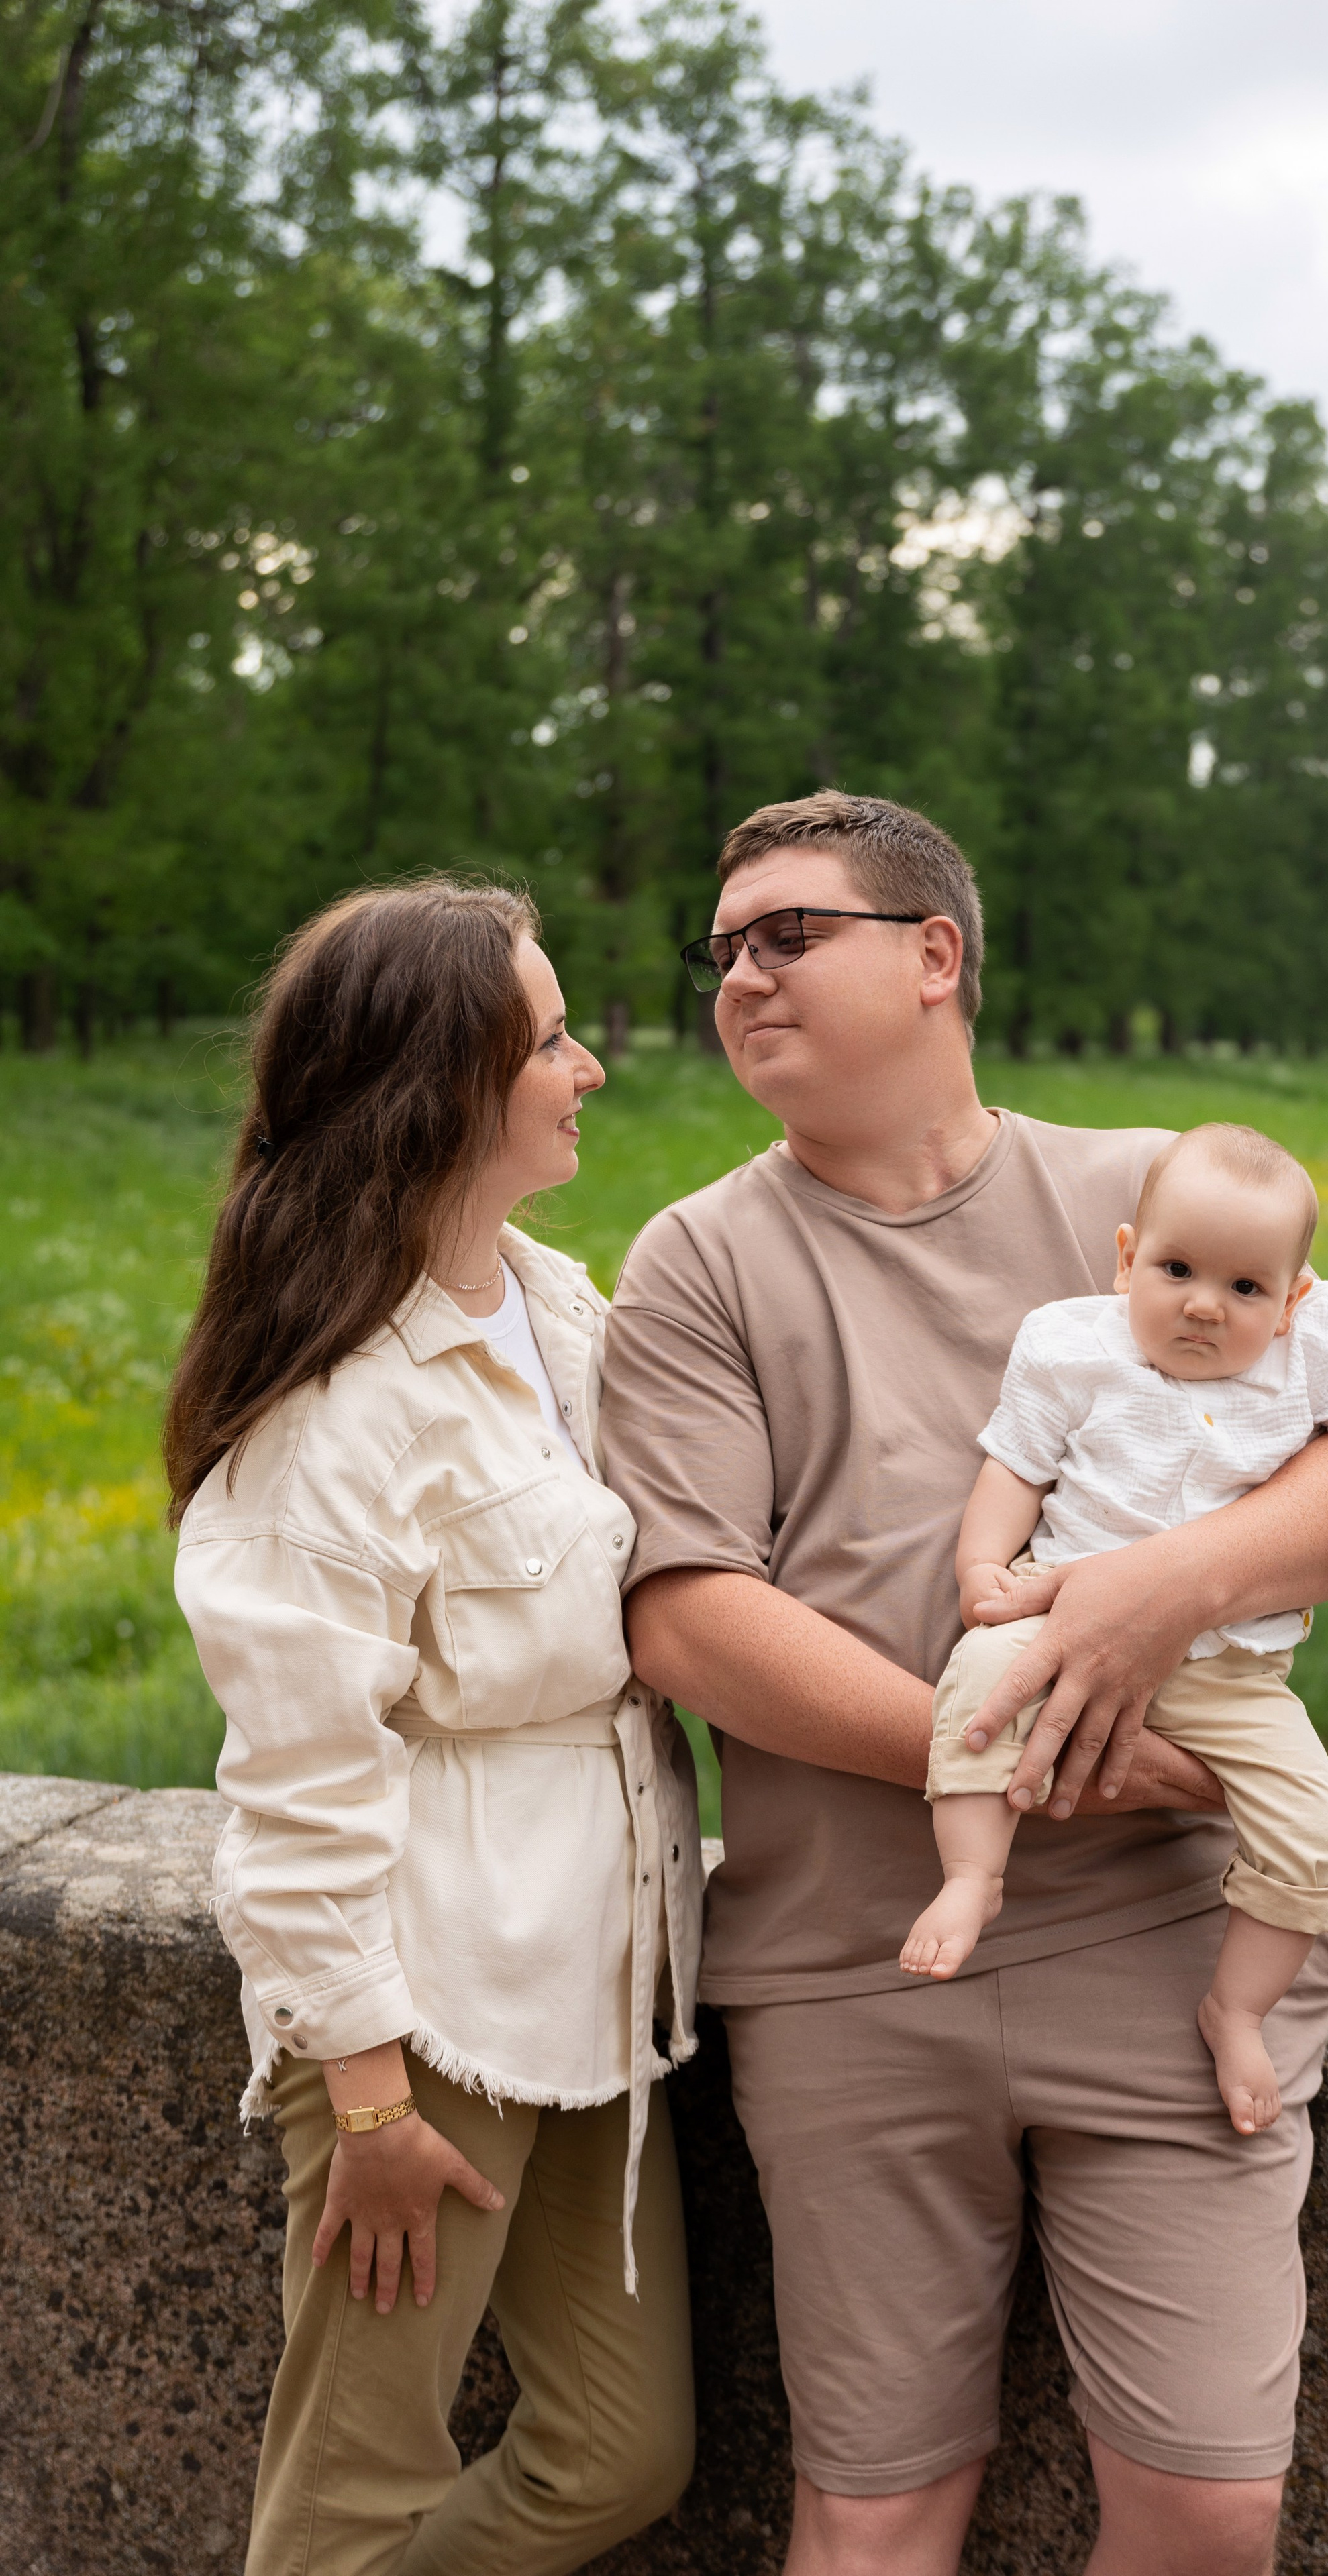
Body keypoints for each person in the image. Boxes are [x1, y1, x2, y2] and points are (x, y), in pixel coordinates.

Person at [601, 790, 1328, 2576]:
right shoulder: (696, 1260)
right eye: (722, 946)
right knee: (873, 2520)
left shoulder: (1143, 1195)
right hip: (852, 1976)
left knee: (1211, 2514)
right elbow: (684, 1619)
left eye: (787, 933)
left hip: (1167, 1955)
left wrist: (1152, 1595)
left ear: (934, 956)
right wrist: (1009, 1746)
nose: (740, 973)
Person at [164, 878, 703, 2576]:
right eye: (549, 1040)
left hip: (602, 1983)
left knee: (623, 2454)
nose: (589, 1066)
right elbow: (295, 1794)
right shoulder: (325, 1424)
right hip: (428, 2013)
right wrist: (371, 2103)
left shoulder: (551, 1305)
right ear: (442, 1089)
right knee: (345, 2508)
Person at [901, 1119, 1328, 2137]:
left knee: (1317, 1834)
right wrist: (983, 1568)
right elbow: (1014, 1466)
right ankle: (973, 1875)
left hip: (1233, 1669)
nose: (1204, 1306)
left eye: (1246, 1290)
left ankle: (1235, 2007)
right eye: (1178, 1270)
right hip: (1062, 1613)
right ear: (1125, 1260)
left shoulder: (1312, 1350)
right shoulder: (1070, 1344)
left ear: (1293, 1301)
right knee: (980, 1684)